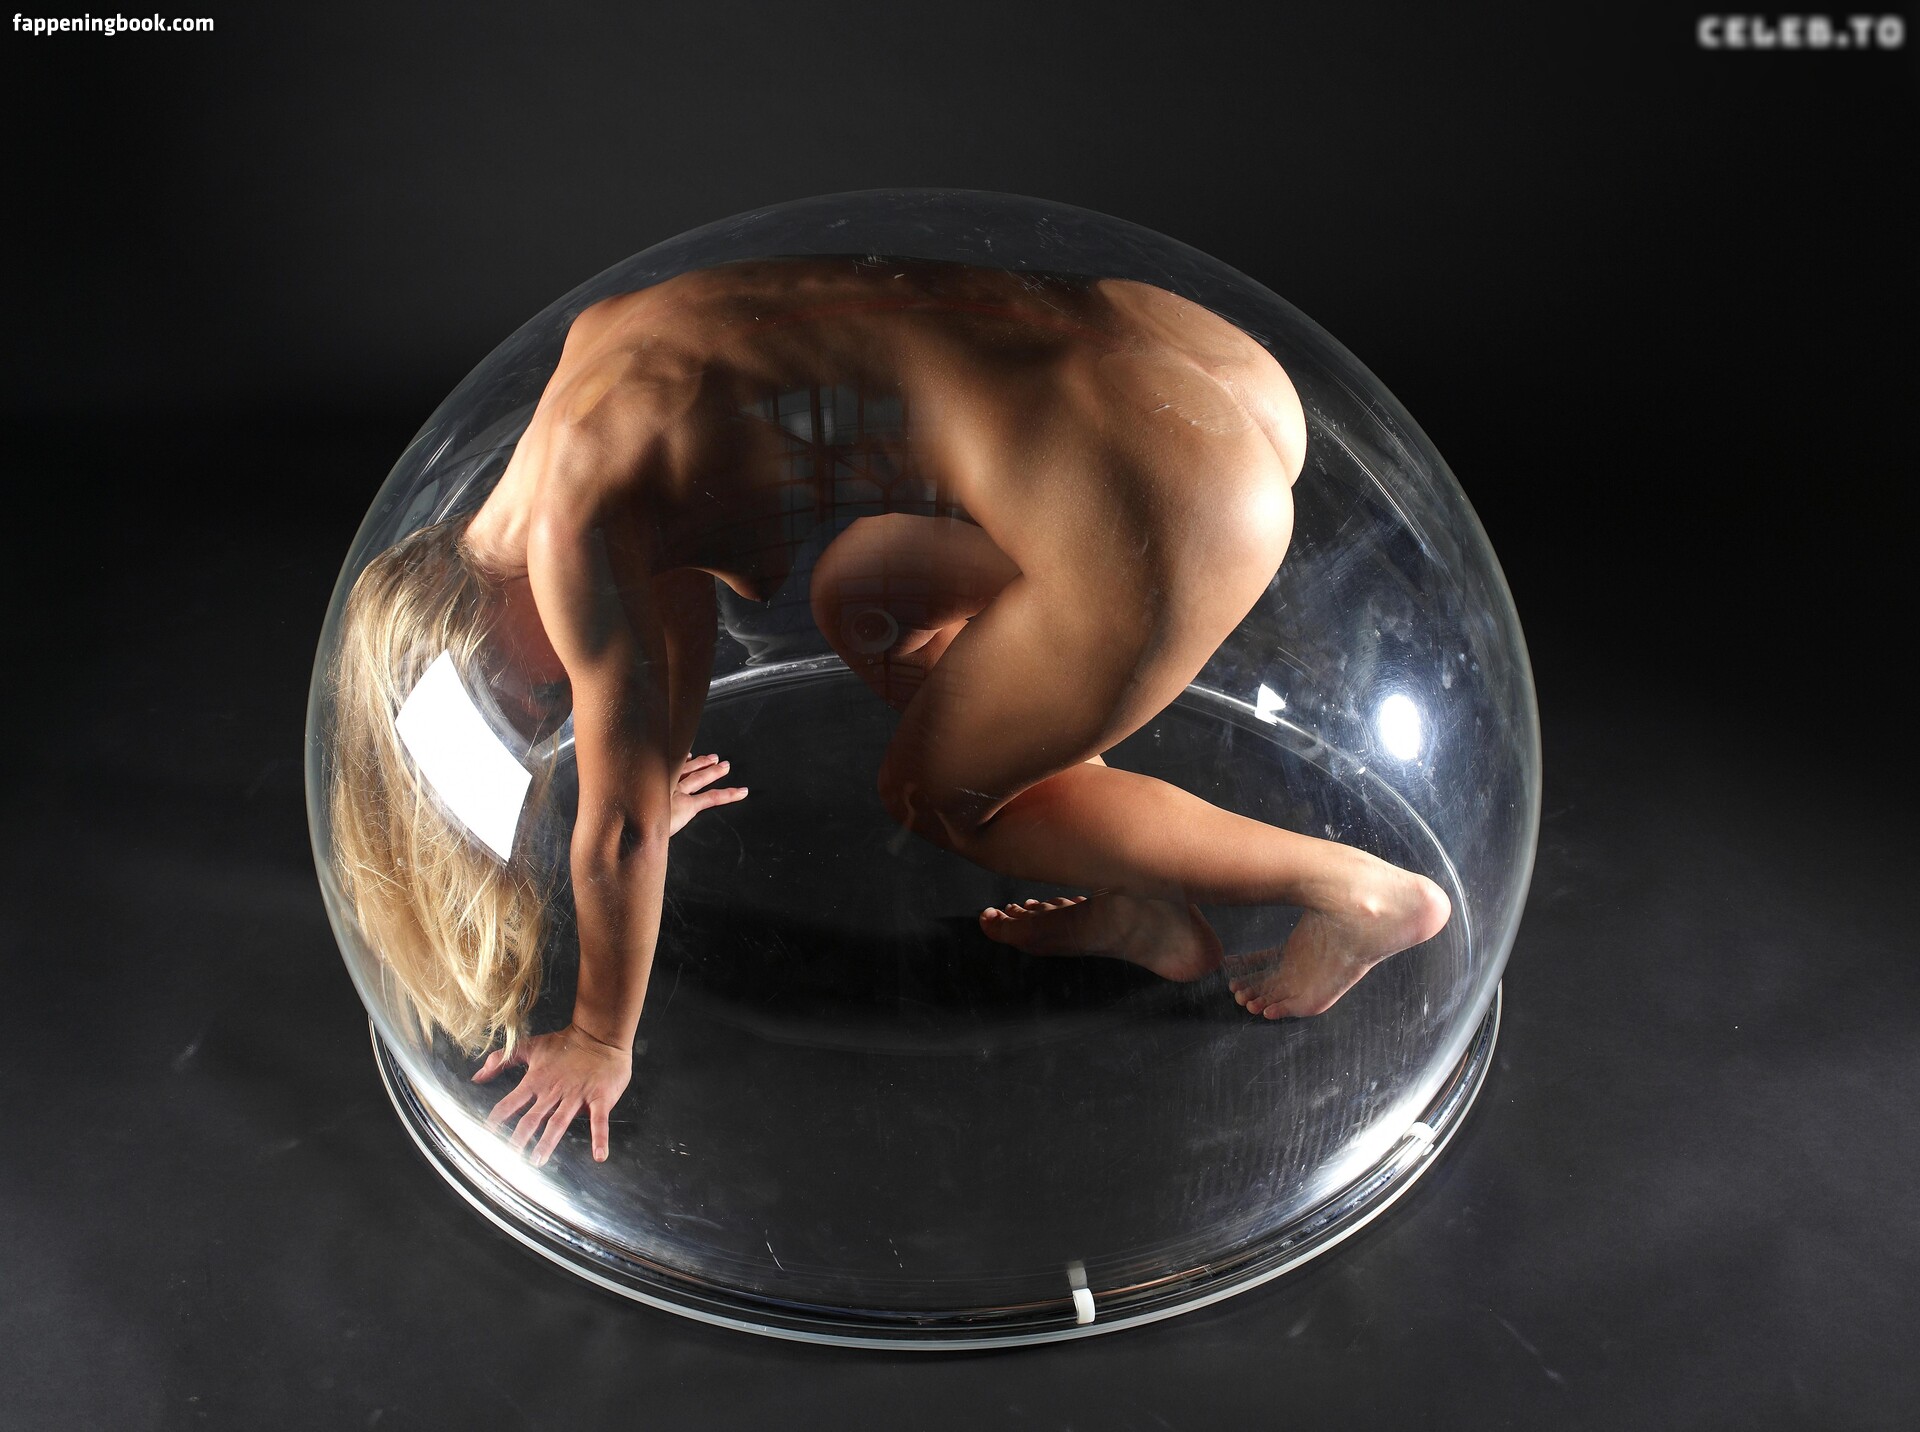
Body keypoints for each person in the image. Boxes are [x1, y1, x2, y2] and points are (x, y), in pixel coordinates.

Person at [329, 258, 1451, 1168]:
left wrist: (596, 1037)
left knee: (936, 795)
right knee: (866, 598)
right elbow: (673, 608)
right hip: (1200, 368)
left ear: (466, 634)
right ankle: (1139, 903)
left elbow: (616, 827)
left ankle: (1358, 893)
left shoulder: (571, 531)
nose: (561, 700)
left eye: (532, 696)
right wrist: (653, 770)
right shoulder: (589, 376)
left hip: (1169, 485)